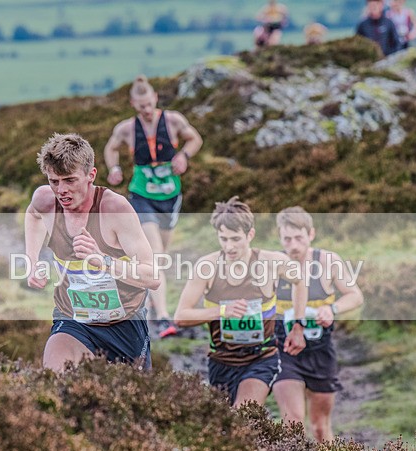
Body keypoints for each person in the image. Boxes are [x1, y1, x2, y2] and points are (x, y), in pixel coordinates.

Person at [25, 133, 161, 372]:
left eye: (69, 180)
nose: (61, 190)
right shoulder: (45, 200)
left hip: (124, 325)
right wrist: (32, 260)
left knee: (130, 403)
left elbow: (152, 277)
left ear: (91, 175)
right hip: (73, 319)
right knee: (55, 377)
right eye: (54, 181)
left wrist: (104, 261)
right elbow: (33, 214)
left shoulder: (114, 209)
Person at [173, 197, 308, 408]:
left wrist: (298, 325)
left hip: (261, 357)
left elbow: (300, 282)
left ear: (250, 234)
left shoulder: (271, 262)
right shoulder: (206, 267)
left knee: (244, 413)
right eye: (223, 239)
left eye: (235, 239)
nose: (229, 247)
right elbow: (181, 316)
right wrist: (222, 311)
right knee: (227, 428)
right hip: (221, 361)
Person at [103, 75, 203, 339]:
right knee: (155, 254)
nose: (146, 111)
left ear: (155, 98)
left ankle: (144, 298)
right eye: (140, 106)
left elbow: (195, 139)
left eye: (149, 104)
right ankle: (162, 317)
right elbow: (111, 148)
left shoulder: (173, 121)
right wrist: (114, 168)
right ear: (133, 104)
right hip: (141, 195)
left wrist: (184, 155)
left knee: (160, 257)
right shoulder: (126, 128)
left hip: (170, 197)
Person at [272, 207, 364, 442]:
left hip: (321, 351)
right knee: (292, 424)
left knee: (320, 428)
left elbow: (355, 295)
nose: (293, 245)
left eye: (299, 238)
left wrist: (332, 309)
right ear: (280, 238)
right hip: (285, 351)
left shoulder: (328, 261)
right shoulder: (273, 265)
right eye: (287, 239)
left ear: (311, 234)